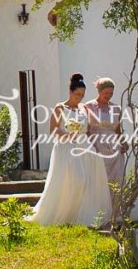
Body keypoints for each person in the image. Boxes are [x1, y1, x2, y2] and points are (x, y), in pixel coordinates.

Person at [27, 73, 112, 228]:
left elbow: (87, 130)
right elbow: (53, 131)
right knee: (77, 179)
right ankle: (62, 214)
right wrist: (67, 135)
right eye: (77, 94)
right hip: (66, 148)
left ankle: (80, 215)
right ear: (70, 91)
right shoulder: (60, 108)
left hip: (83, 146)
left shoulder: (83, 109)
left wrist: (94, 146)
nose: (79, 98)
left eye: (82, 95)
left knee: (90, 179)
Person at [86, 77, 127, 215]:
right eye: (106, 93)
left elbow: (118, 129)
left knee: (116, 180)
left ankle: (114, 214)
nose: (109, 96)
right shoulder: (89, 106)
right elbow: (86, 129)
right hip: (96, 145)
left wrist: (124, 143)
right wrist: (91, 146)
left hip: (114, 147)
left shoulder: (115, 108)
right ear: (99, 91)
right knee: (100, 180)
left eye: (111, 93)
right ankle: (99, 213)